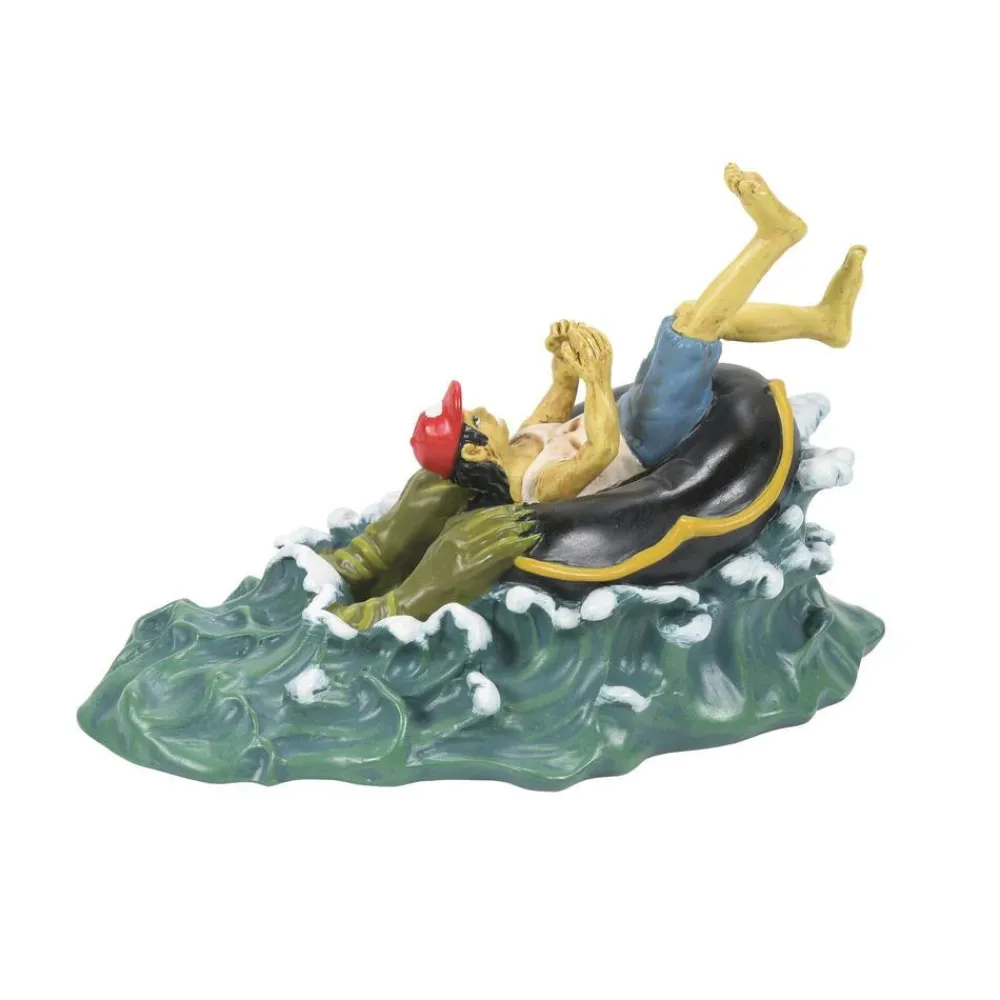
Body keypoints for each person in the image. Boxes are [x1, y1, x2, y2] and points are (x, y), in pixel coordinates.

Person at [326, 164, 864, 628]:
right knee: (690, 329)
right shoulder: (535, 483)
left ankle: (821, 322)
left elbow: (558, 398)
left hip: (629, 415)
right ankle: (775, 237)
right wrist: (599, 378)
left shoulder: (521, 443)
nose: (480, 410)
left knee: (690, 317)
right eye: (472, 418)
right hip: (646, 436)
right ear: (473, 449)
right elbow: (602, 450)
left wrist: (563, 358)